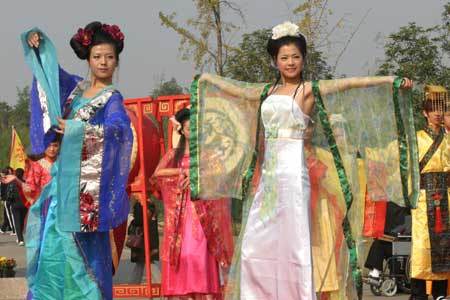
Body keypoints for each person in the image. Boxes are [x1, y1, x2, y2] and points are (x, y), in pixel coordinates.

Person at [189, 21, 413, 299]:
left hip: (295, 175)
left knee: (295, 243)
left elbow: (350, 84)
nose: (290, 62)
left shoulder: (307, 90)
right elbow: (235, 90)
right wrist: (206, 82)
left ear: (303, 58)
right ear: (275, 61)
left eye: (295, 56)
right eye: (284, 57)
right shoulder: (266, 93)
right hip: (270, 178)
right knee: (253, 244)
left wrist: (390, 81)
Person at [17, 21, 132, 299]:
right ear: (88, 59)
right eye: (97, 56)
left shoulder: (111, 99)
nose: (103, 62)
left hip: (84, 199)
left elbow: (119, 131)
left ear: (116, 61)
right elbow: (51, 78)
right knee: (53, 258)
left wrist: (78, 129)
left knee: (85, 263)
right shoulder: (77, 91)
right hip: (59, 193)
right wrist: (39, 46)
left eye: (109, 57)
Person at [153, 108, 234, 300]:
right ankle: (185, 294)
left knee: (200, 255)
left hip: (203, 213)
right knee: (184, 254)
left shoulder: (208, 154)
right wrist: (181, 173)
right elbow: (158, 173)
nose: (193, 131)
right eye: (189, 128)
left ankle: (204, 293)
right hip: (181, 212)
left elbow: (220, 177)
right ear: (181, 130)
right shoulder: (175, 154)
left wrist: (196, 176)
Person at [409, 85, 449, 300]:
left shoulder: (448, 138)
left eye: (440, 109)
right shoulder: (415, 138)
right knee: (422, 243)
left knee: (444, 242)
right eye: (432, 109)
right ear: (425, 113)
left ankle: (441, 291)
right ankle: (418, 292)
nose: (437, 113)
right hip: (425, 196)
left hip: (446, 195)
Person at [128, 200, 160, 284]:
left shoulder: (142, 204)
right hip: (143, 240)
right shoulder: (146, 205)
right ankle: (159, 283)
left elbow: (138, 221)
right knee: (145, 262)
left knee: (145, 262)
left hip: (145, 240)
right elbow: (139, 221)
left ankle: (133, 284)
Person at [6, 168, 28, 245]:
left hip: (15, 203)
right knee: (21, 221)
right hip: (24, 204)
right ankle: (20, 237)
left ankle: (20, 239)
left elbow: (8, 194)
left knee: (17, 221)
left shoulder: (12, 183)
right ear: (23, 174)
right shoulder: (25, 182)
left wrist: (8, 202)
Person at [0, 167, 15, 234]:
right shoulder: (12, 179)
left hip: (7, 199)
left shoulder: (4, 180)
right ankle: (4, 228)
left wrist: (3, 198)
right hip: (11, 198)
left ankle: (14, 230)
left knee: (9, 215)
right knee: (7, 214)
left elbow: (3, 191)